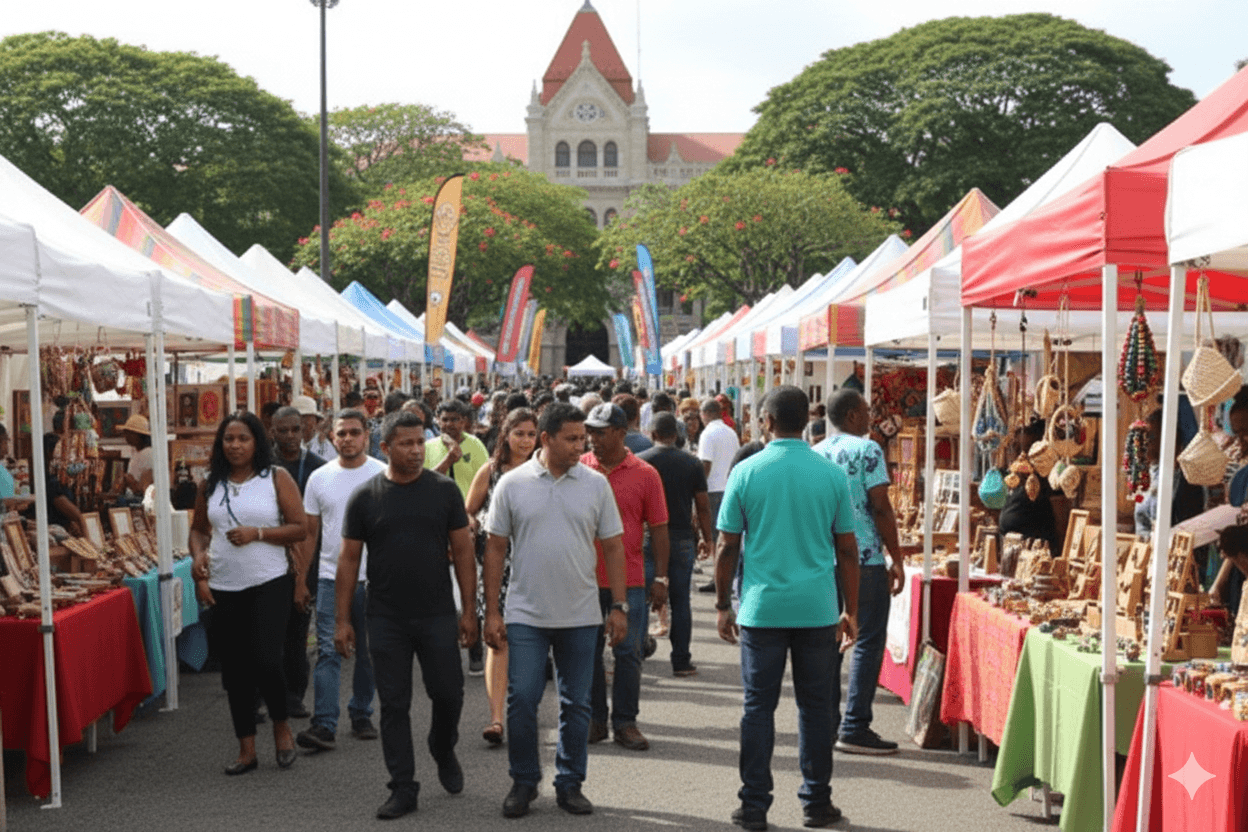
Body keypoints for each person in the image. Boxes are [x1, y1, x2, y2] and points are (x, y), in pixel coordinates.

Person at [714, 385, 860, 831]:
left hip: (762, 609)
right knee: (817, 709)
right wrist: (850, 609)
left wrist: (723, 603)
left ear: (767, 421)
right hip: (817, 608)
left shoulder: (746, 471)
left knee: (758, 707)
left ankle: (753, 804)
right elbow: (848, 550)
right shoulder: (830, 473)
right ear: (807, 420)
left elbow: (726, 546)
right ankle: (816, 802)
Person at [482, 402, 629, 818]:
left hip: (581, 614)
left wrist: (619, 605)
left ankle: (569, 782)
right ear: (545, 440)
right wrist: (492, 611)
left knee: (577, 703)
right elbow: (494, 548)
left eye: (582, 437)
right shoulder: (512, 484)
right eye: (571, 438)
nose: (580, 445)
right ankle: (524, 780)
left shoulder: (596, 485)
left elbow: (614, 546)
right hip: (525, 613)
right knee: (523, 698)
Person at [333, 410, 477, 820]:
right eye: (406, 444)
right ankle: (402, 786)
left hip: (436, 613)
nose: (416, 451)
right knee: (394, 704)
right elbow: (348, 560)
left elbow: (463, 550)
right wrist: (342, 620)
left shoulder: (444, 491)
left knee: (448, 693)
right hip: (385, 616)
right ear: (385, 447)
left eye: (419, 443)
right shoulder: (365, 497)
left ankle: (442, 744)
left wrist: (471, 611)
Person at [189, 412, 308, 775]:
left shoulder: (275, 477)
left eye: (243, 438)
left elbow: (300, 528)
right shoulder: (211, 484)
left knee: (268, 660)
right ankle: (246, 750)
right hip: (225, 585)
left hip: (269, 581)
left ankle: (281, 726)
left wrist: (258, 533)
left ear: (257, 441)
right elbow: (199, 530)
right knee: (236, 671)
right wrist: (197, 561)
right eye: (229, 439)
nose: (236, 445)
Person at [817, 389, 905, 755]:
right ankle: (855, 725)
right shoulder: (867, 450)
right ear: (852, 416)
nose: (872, 418)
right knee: (867, 640)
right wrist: (896, 557)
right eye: (867, 412)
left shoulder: (817, 451)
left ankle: (826, 721)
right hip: (864, 557)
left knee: (830, 642)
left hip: (826, 559)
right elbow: (881, 507)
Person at [581, 402, 669, 750]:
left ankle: (626, 721)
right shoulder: (580, 468)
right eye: (590, 432)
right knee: (587, 652)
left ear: (621, 433)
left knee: (629, 652)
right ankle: (595, 719)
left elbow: (659, 529)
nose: (592, 440)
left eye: (600, 433)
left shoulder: (646, 473)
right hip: (584, 577)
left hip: (630, 578)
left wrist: (660, 578)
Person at [296, 408, 384, 753]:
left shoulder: (382, 475)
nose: (347, 438)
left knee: (369, 653)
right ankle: (324, 724)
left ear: (366, 436)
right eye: (341, 433)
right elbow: (310, 534)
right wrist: (302, 579)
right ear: (331, 436)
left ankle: (362, 712)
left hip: (375, 580)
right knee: (329, 651)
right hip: (331, 579)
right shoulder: (319, 478)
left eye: (354, 432)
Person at [465, 408, 538, 746]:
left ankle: (524, 713)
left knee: (532, 643)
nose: (525, 440)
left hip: (537, 566)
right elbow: (468, 511)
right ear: (505, 434)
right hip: (497, 565)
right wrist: (473, 524)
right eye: (519, 433)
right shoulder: (491, 471)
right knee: (498, 638)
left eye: (531, 434)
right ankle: (496, 719)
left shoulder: (546, 471)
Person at [640, 412, 712, 676]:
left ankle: (635, 655)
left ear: (653, 434)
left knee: (643, 598)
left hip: (649, 536)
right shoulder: (691, 463)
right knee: (681, 601)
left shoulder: (641, 463)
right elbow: (702, 506)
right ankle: (681, 660)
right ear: (677, 435)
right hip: (682, 536)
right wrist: (707, 538)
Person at [269, 406, 326, 720]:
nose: (290, 436)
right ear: (272, 431)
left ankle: (294, 696)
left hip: (306, 559)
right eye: (283, 430)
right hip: (267, 555)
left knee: (296, 631)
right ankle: (265, 695)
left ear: (304, 431)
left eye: (295, 430)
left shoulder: (318, 469)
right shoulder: (262, 467)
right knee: (266, 632)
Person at [997, 419, 1061, 555]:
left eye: (1025, 448)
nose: (1020, 454)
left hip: (1032, 549)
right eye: (1017, 447)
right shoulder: (1017, 477)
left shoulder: (1040, 479)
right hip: (1012, 545)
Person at [120, 414, 154, 499]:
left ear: (137, 435)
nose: (125, 436)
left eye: (128, 433)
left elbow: (138, 486)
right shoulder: (140, 452)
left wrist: (127, 480)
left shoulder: (145, 454)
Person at [295, 395, 337, 462]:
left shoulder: (324, 446)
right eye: (299, 419)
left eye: (306, 419)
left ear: (316, 421)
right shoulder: (289, 445)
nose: (302, 424)